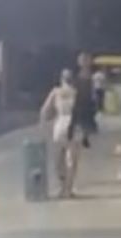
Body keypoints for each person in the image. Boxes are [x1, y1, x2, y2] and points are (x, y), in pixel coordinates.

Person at [39, 69, 80, 198]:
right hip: (74, 126)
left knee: (58, 160)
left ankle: (62, 187)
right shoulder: (77, 93)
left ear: (61, 79)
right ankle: (69, 189)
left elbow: (44, 111)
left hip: (60, 126)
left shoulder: (55, 92)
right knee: (71, 161)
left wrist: (43, 124)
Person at [70, 53, 98, 148]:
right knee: (78, 120)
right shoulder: (78, 77)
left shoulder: (91, 76)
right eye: (82, 60)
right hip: (80, 101)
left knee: (86, 120)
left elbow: (93, 89)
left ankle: (84, 137)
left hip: (87, 102)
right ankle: (78, 136)